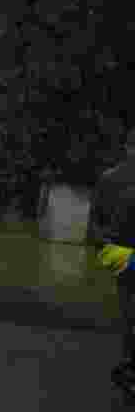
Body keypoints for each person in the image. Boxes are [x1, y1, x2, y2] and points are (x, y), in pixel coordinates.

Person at [88, 128, 135, 384]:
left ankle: (128, 360)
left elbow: (94, 222)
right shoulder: (110, 179)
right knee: (129, 308)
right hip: (120, 250)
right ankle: (128, 361)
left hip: (117, 250)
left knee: (128, 308)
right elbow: (95, 221)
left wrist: (102, 242)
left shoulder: (109, 178)